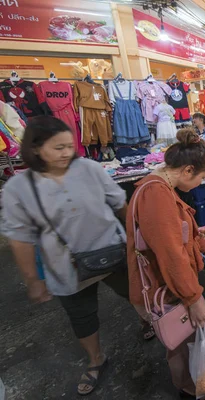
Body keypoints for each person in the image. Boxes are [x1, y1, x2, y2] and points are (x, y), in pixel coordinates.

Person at [0, 116, 148, 396]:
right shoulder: (18, 189)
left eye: (69, 145)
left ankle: (145, 322)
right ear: (35, 149)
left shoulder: (90, 169)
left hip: (112, 251)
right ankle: (96, 360)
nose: (67, 153)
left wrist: (136, 241)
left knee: (136, 292)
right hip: (64, 265)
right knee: (81, 315)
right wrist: (33, 280)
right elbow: (20, 239)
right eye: (58, 148)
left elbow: (120, 205)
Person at [127, 128, 205, 398]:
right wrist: (193, 298)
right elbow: (171, 254)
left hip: (169, 283)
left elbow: (176, 233)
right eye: (202, 177)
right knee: (181, 343)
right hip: (165, 288)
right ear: (188, 170)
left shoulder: (161, 184)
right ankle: (192, 390)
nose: (201, 183)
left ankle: (195, 384)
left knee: (185, 342)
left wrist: (204, 245)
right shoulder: (156, 196)